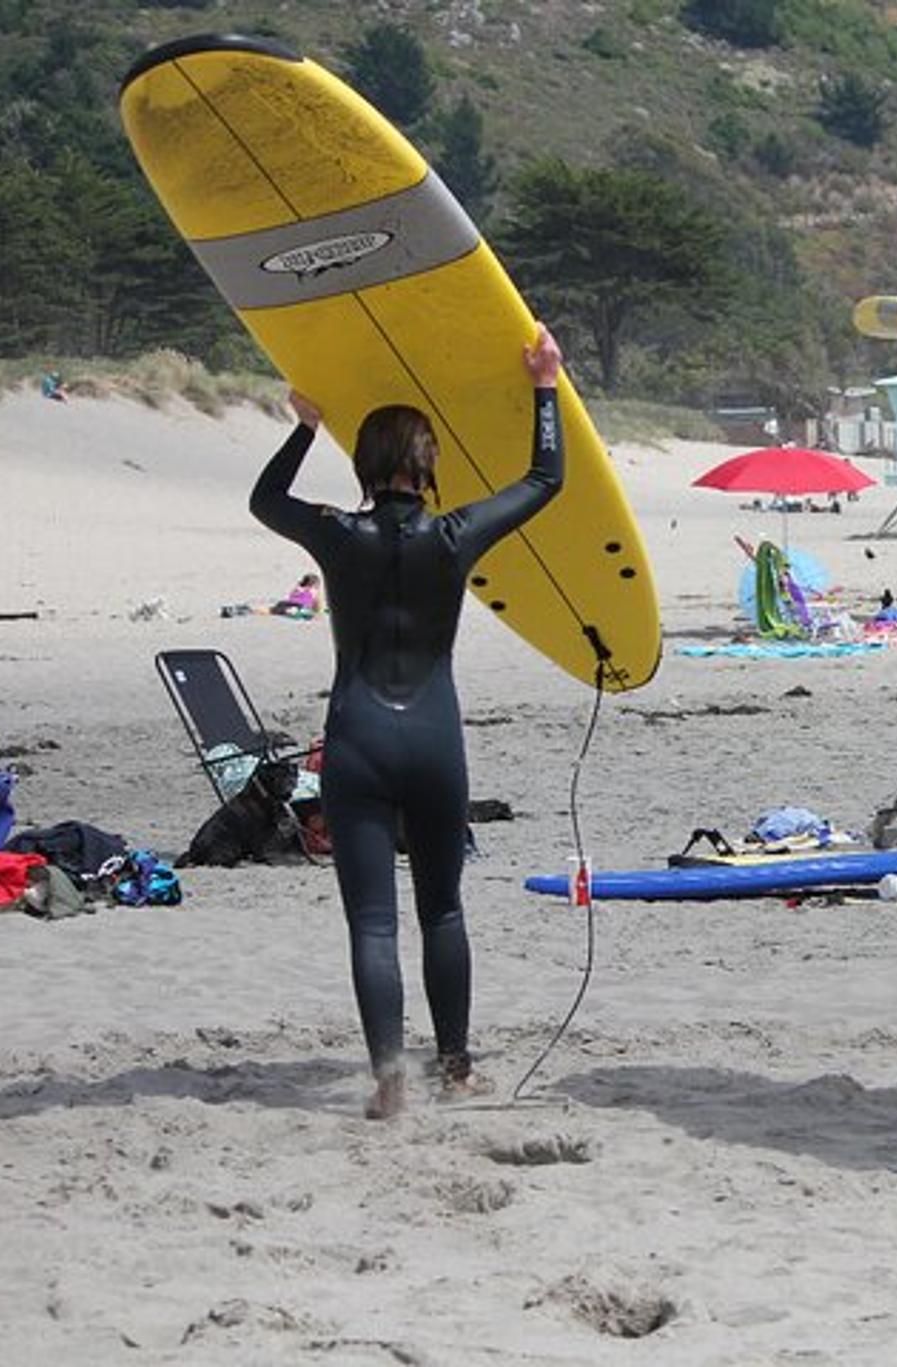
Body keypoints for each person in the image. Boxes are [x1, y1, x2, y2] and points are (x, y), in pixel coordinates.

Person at [249, 324, 565, 1119]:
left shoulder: (334, 532)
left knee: (373, 923)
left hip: (356, 741)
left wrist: (304, 425)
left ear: (363, 468)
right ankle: (455, 1067)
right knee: (444, 909)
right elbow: (545, 478)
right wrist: (545, 386)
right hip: (433, 743)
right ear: (429, 468)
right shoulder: (455, 536)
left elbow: (264, 501)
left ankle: (391, 1075)